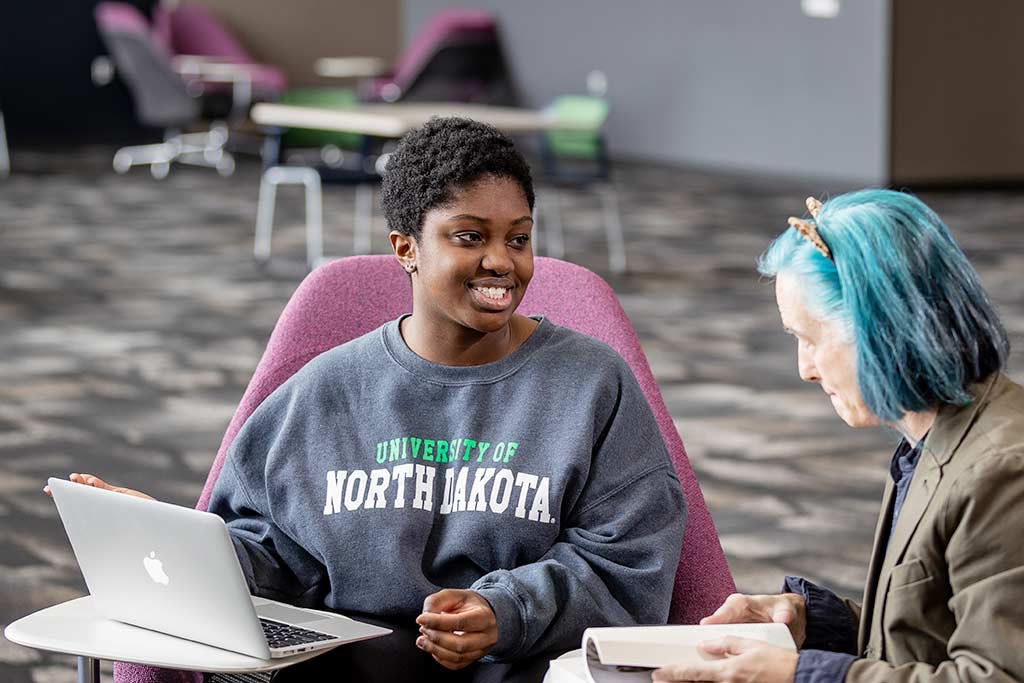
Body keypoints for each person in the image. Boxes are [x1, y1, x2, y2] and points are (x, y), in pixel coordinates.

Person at [47, 117, 687, 683]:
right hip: (348, 661)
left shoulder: (592, 385)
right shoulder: (323, 391)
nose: (502, 261)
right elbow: (274, 557)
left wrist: (506, 610)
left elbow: (632, 565)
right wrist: (172, 541)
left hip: (513, 664)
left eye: (517, 238)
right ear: (406, 248)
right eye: (469, 237)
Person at [652, 189, 1023, 683]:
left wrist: (802, 675)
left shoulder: (1001, 470)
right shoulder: (935, 436)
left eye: (811, 338)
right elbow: (934, 630)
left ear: (882, 328)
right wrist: (818, 624)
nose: (804, 369)